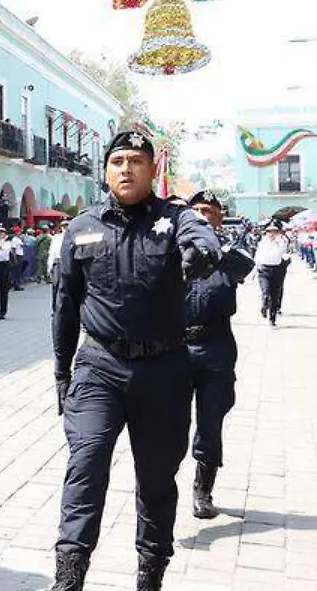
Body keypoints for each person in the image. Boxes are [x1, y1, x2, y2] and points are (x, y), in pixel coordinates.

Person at [50, 131, 221, 591]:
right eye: (118, 160)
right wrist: (61, 373)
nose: (127, 168)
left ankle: (150, 575)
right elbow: (65, 304)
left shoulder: (175, 219)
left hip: (163, 370)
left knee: (156, 478)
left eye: (137, 161)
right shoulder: (82, 226)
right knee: (85, 463)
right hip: (99, 366)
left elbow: (201, 234)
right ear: (106, 170)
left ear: (151, 169)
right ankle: (68, 577)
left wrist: (201, 250)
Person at [183, 190, 255, 520]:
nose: (202, 215)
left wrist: (213, 241)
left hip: (215, 347)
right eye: (196, 210)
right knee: (166, 421)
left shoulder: (231, 253)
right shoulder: (173, 252)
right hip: (175, 348)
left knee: (210, 421)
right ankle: (159, 486)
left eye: (209, 211)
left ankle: (203, 489)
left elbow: (244, 264)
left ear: (219, 216)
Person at [254, 222, 289, 327]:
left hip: (277, 270)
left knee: (275, 296)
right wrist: (256, 268)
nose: (271, 234)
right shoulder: (262, 243)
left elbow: (284, 247)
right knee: (266, 292)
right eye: (269, 232)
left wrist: (280, 238)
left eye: (274, 231)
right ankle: (264, 307)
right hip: (264, 270)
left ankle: (272, 319)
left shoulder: (281, 242)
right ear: (266, 233)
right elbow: (257, 256)